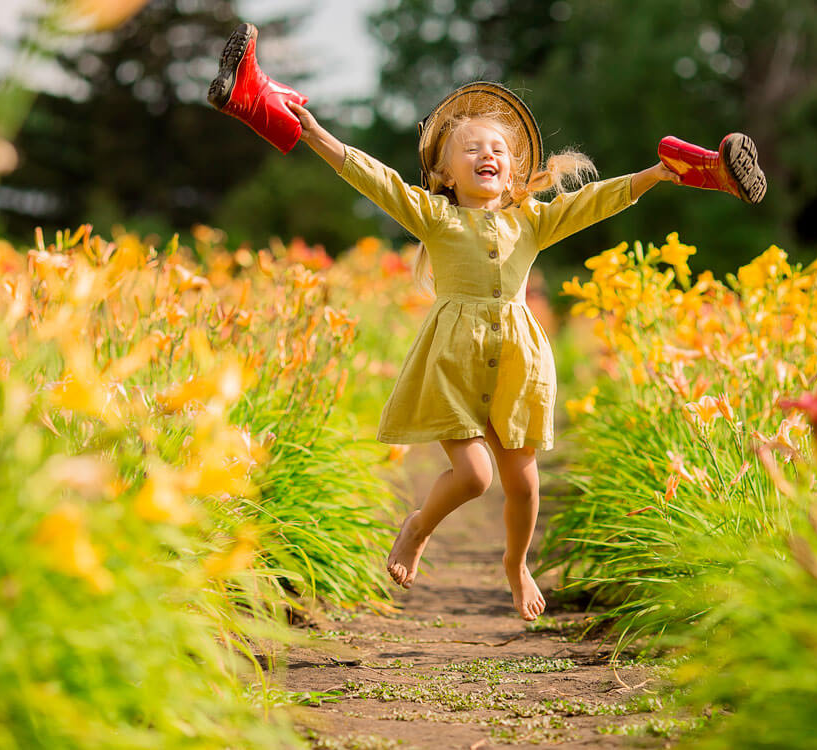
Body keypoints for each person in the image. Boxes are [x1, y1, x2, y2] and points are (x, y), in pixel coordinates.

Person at [209, 23, 766, 621]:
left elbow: (592, 201)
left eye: (497, 149)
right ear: (445, 172)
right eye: (470, 148)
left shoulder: (532, 222)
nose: (487, 155)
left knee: (524, 486)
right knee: (474, 478)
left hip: (518, 366)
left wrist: (655, 176)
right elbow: (367, 174)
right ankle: (419, 527)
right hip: (451, 363)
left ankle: (516, 563)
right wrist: (314, 128)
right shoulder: (433, 215)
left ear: (514, 171)